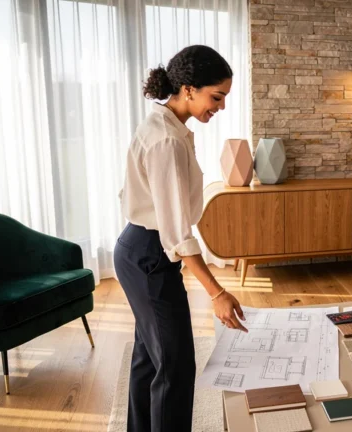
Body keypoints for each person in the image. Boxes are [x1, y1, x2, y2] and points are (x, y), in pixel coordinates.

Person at [114, 45, 248, 432]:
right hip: (150, 255)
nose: (221, 106)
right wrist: (217, 292)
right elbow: (176, 234)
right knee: (175, 366)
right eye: (216, 97)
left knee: (150, 358)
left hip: (137, 248)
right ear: (188, 89)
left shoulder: (165, 125)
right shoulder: (167, 140)